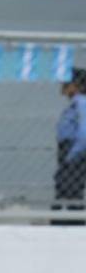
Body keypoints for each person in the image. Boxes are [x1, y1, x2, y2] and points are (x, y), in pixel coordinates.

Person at [52, 67, 86, 225]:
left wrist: (71, 156)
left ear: (77, 85)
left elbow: (84, 133)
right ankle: (64, 222)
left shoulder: (81, 102)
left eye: (68, 83)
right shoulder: (75, 104)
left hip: (74, 153)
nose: (63, 86)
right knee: (64, 190)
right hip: (69, 152)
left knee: (69, 192)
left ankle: (66, 223)